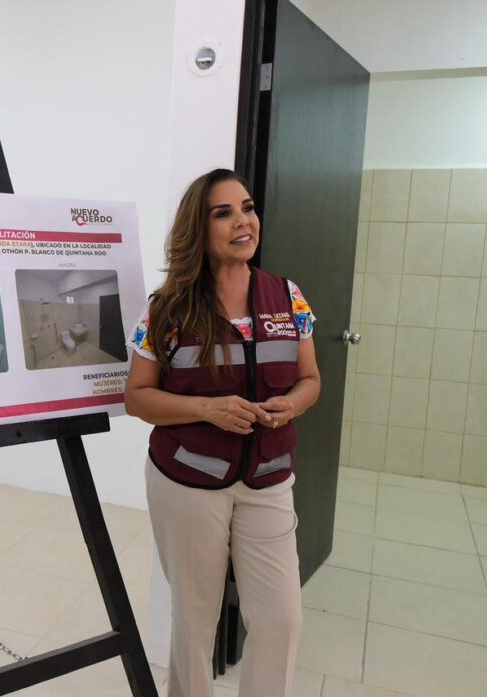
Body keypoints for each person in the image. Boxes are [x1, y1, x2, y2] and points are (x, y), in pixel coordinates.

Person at [124, 168, 320, 697]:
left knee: (281, 620)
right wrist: (206, 409)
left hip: (268, 480)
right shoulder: (168, 308)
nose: (243, 221)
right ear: (199, 227)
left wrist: (291, 404)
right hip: (187, 483)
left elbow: (311, 380)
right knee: (194, 621)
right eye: (224, 213)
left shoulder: (288, 297)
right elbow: (137, 397)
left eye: (248, 208)